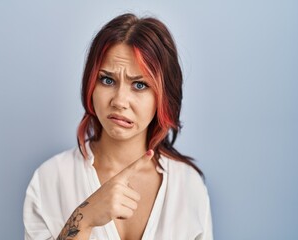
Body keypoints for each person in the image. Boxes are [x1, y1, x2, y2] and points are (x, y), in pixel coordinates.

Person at [23, 13, 213, 240]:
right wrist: (85, 218)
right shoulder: (50, 179)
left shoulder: (188, 186)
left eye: (140, 85)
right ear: (90, 84)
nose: (119, 101)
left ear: (163, 97)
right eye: (107, 80)